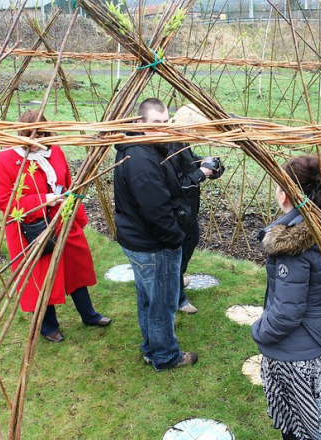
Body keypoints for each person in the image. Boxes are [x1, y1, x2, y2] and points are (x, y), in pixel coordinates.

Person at [0, 109, 111, 343]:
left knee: (75, 269)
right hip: (30, 228)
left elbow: (68, 185)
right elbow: (5, 202)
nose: (35, 143)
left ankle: (89, 315)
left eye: (41, 135)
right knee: (41, 275)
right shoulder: (6, 158)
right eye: (30, 137)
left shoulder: (55, 151)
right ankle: (48, 326)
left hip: (62, 220)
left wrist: (76, 216)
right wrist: (42, 200)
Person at [252, 156, 321, 440]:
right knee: (310, 429)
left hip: (299, 359)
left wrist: (258, 330)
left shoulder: (294, 246)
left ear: (286, 193)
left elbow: (286, 314)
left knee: (298, 430)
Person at [114, 98, 197, 370]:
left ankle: (151, 348)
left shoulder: (145, 148)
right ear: (140, 122)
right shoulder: (141, 157)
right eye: (155, 123)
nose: (162, 128)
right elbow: (156, 208)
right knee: (162, 303)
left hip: (139, 239)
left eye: (165, 122)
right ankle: (166, 356)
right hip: (153, 244)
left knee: (148, 299)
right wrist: (174, 239)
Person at [169, 104, 225, 314]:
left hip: (187, 209)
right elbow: (177, 182)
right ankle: (177, 299)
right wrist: (201, 172)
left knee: (191, 241)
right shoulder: (171, 146)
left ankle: (178, 279)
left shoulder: (182, 143)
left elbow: (189, 165)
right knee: (179, 251)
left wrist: (208, 165)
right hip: (177, 211)